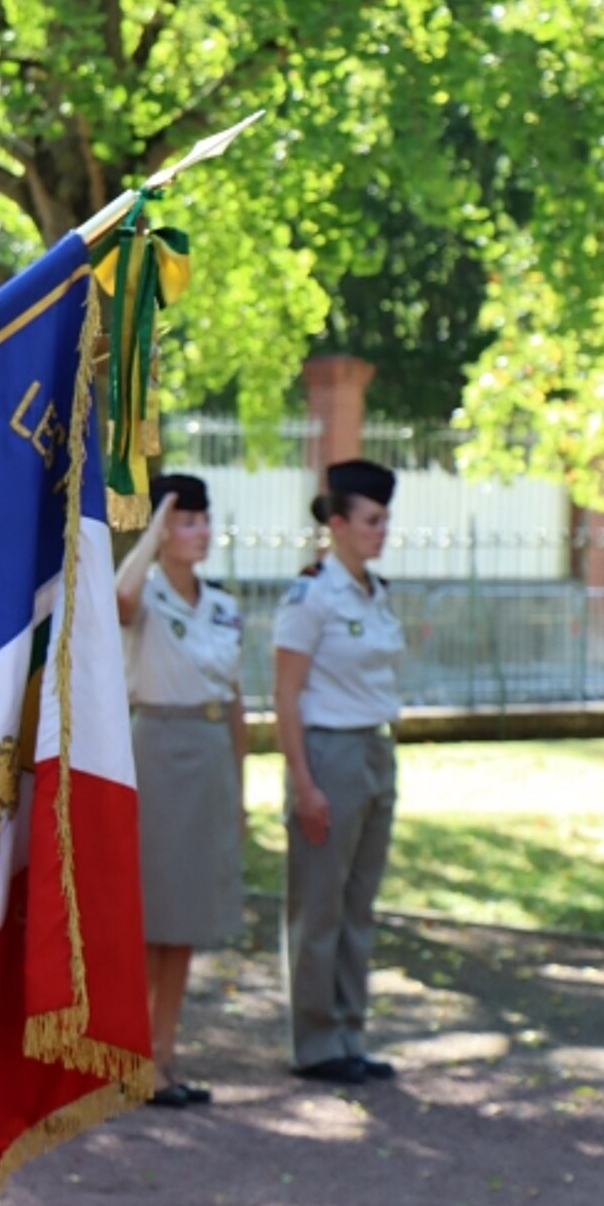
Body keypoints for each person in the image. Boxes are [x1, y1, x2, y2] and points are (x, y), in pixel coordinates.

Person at [272, 458, 405, 1085]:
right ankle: (315, 1042)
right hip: (328, 754)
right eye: (371, 520)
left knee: (359, 905)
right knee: (319, 904)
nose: (382, 531)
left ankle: (350, 1032)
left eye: (384, 520)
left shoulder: (377, 592)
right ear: (338, 524)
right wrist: (303, 781)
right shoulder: (312, 596)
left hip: (376, 750)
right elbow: (285, 695)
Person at [116, 472, 246, 1108]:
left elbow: (236, 698)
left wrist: (240, 788)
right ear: (163, 529)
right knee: (153, 914)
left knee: (185, 918)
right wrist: (154, 520)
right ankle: (135, 1056)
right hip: (159, 749)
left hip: (210, 748)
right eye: (186, 521)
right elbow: (119, 597)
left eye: (203, 519)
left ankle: (164, 1053)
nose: (201, 532)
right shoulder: (146, 593)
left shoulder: (222, 604)